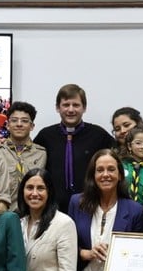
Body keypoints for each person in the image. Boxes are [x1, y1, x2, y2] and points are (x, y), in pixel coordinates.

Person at [34, 84, 116, 213]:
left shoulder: (98, 135)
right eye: (66, 105)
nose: (71, 110)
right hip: (52, 207)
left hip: (91, 205)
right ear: (57, 107)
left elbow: (121, 154)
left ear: (84, 108)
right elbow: (28, 155)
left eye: (76, 105)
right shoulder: (45, 136)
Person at [0, 102, 47, 176]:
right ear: (7, 125)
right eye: (14, 120)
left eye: (24, 121)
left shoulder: (41, 154)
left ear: (32, 126)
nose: (19, 124)